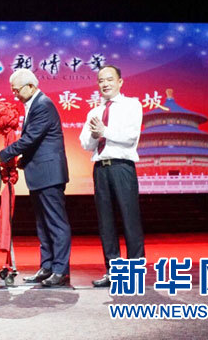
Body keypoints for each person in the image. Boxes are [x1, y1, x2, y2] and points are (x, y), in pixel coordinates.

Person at [0, 68, 71, 287]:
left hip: (50, 174)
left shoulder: (43, 105)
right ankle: (47, 267)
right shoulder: (34, 105)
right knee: (43, 224)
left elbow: (30, 139)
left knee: (56, 222)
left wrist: (2, 155)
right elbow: (37, 142)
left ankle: (61, 270)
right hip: (39, 173)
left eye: (17, 90)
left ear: (31, 87)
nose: (14, 94)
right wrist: (22, 161)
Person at [79, 65, 145, 288]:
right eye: (101, 81)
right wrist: (95, 135)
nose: (105, 84)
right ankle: (114, 271)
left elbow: (130, 136)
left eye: (109, 79)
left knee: (130, 219)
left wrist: (104, 131)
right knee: (105, 222)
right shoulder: (94, 112)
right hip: (101, 168)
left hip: (122, 167)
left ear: (120, 82)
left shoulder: (131, 105)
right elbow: (86, 144)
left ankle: (135, 273)